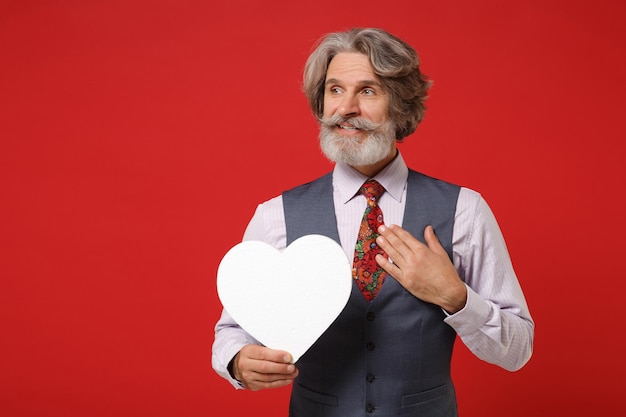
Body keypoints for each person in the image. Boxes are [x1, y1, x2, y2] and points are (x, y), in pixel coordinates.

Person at [212, 27, 533, 417]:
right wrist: (238, 361)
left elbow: (517, 351)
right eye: (334, 90)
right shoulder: (275, 215)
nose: (345, 108)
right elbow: (232, 330)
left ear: (399, 107)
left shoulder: (465, 210)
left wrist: (456, 297)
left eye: (367, 91)